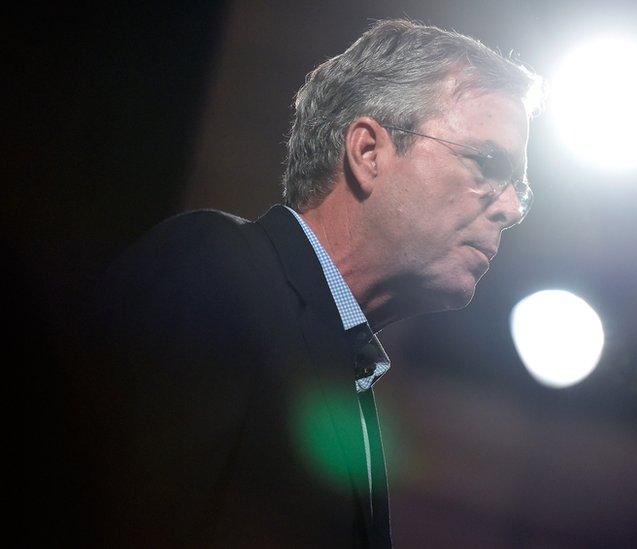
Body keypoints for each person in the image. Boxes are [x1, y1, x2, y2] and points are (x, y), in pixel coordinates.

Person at [72, 19, 541, 547]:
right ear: (368, 153)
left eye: (519, 188)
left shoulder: (348, 382)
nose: (510, 208)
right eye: (487, 163)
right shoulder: (215, 269)